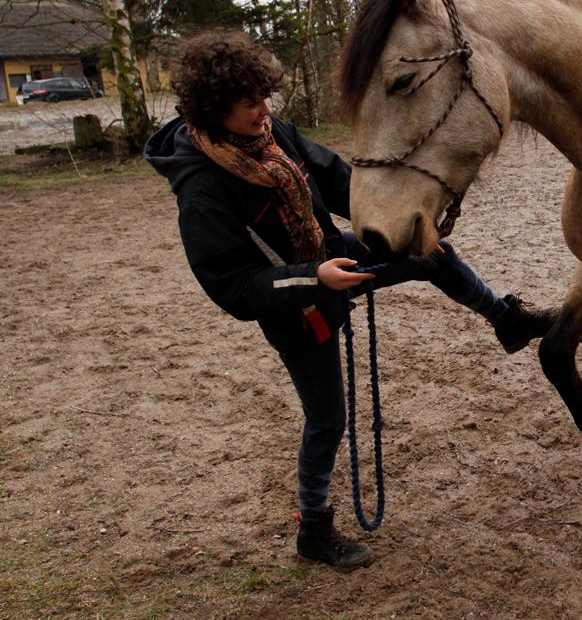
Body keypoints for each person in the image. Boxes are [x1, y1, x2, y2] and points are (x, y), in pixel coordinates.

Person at [144, 30, 553, 571]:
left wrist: (400, 208)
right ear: (214, 108)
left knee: (431, 252)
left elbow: (341, 183)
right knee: (327, 421)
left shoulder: (276, 137)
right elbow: (233, 287)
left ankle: (505, 320)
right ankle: (313, 530)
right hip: (295, 306)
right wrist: (315, 278)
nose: (264, 111)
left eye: (266, 97)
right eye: (249, 104)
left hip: (331, 260)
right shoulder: (202, 188)